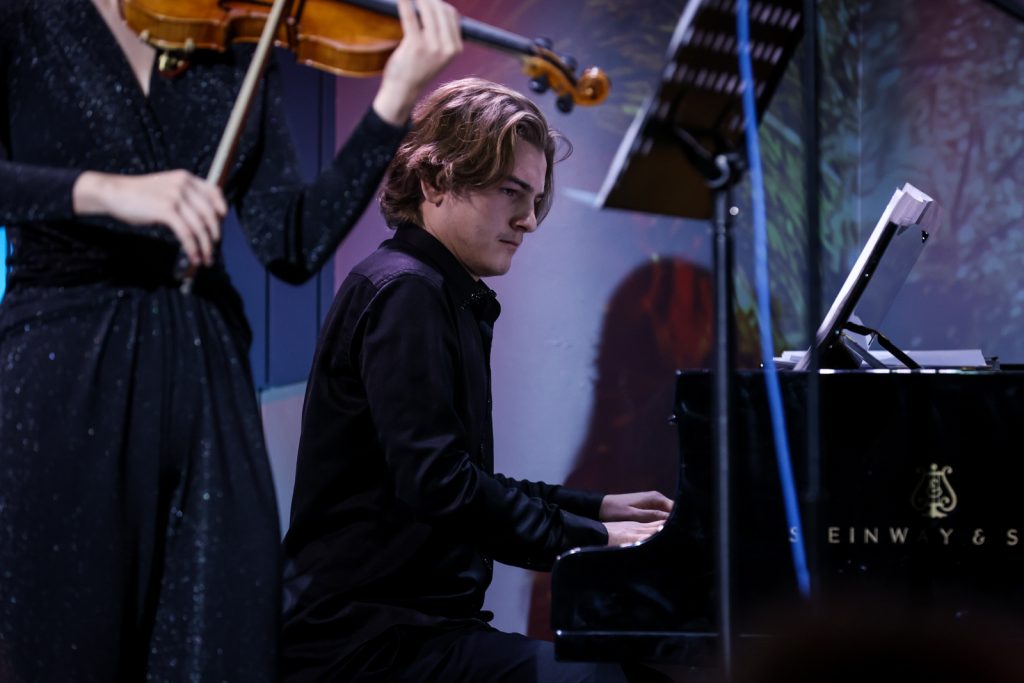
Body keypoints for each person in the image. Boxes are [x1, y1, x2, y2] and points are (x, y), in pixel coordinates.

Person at [0, 0, 460, 680]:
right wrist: (102, 191)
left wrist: (395, 97)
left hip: (203, 371)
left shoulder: (237, 37)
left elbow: (291, 241)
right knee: (65, 642)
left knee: (216, 645)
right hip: (63, 363)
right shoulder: (24, 17)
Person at [281, 77, 674, 682]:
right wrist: (598, 537)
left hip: (414, 627)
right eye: (510, 191)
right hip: (370, 641)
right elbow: (442, 487)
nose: (529, 220)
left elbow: (457, 474)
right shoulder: (407, 292)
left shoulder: (437, 290)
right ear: (434, 180)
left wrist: (596, 507)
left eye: (535, 198)